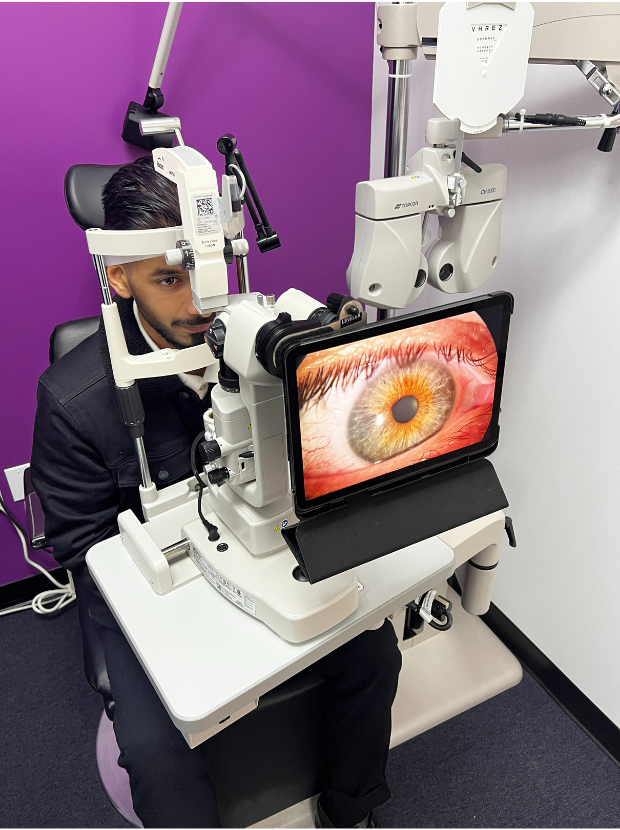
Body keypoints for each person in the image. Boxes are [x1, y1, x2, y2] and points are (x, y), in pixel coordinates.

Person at [30, 156, 402, 829]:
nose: (200, 304)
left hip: (265, 543)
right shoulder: (75, 400)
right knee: (155, 750)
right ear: (120, 276)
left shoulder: (262, 346)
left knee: (373, 651)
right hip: (154, 586)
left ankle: (351, 807)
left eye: (207, 271)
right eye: (168, 279)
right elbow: (81, 543)